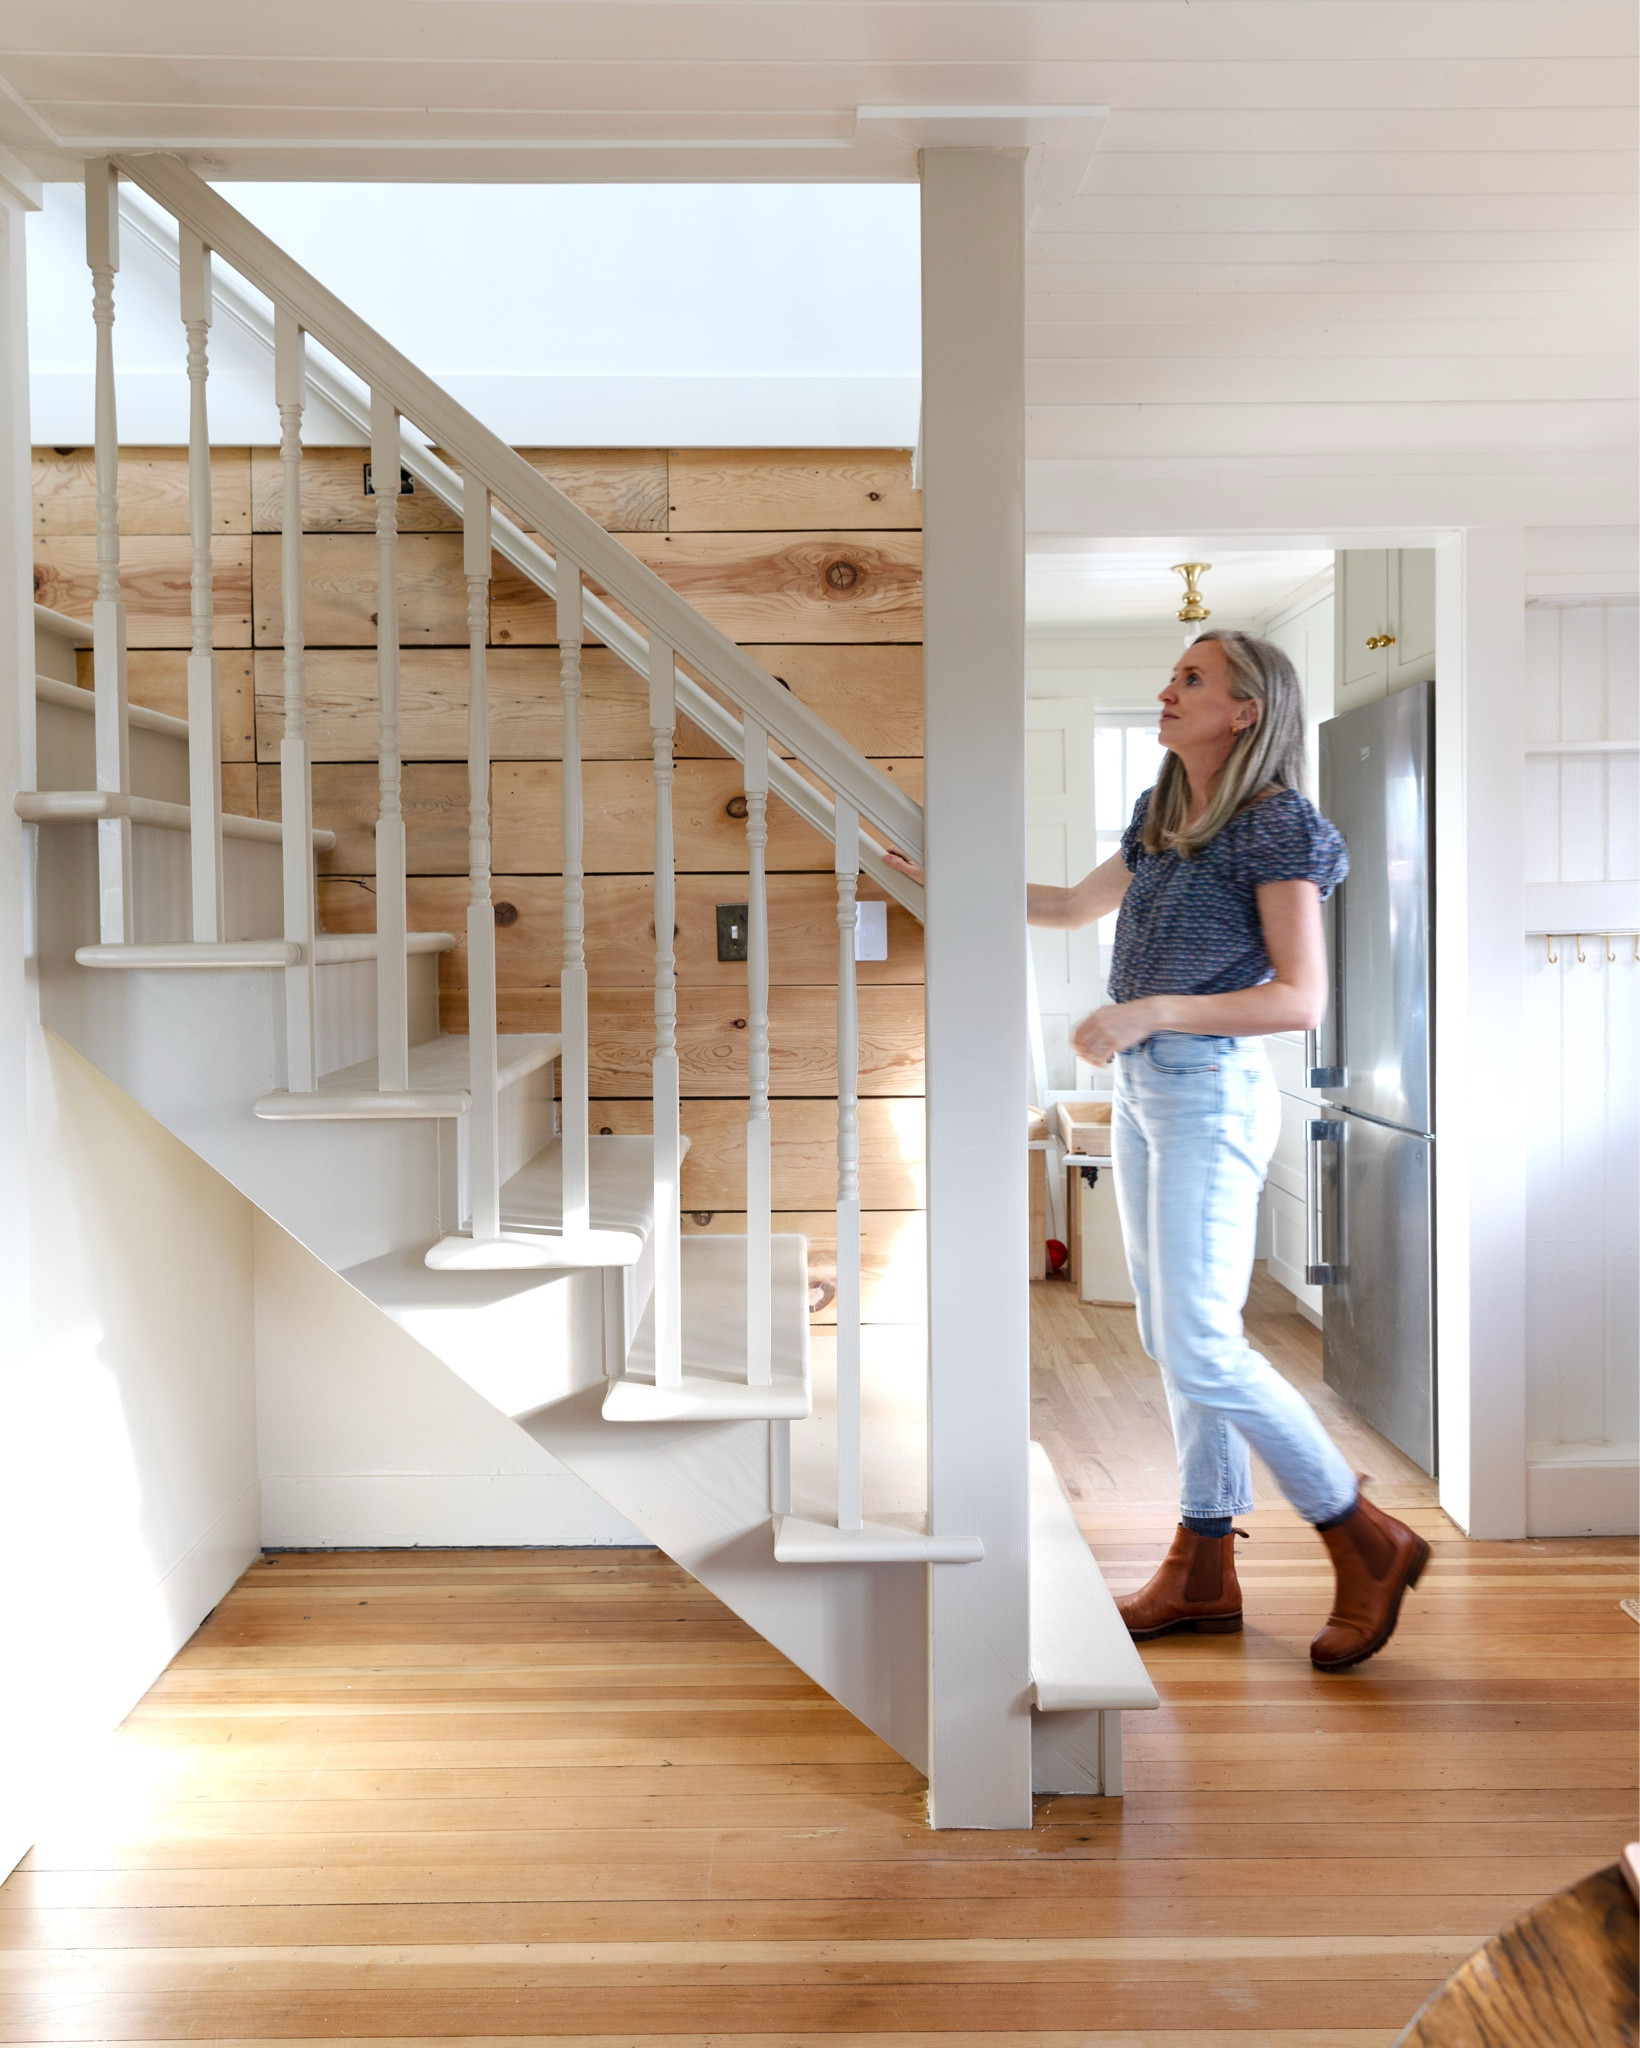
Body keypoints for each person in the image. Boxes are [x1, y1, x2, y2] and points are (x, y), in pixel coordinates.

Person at [887, 629, 1428, 1671]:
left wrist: (1151, 1009)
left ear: (1245, 710)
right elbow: (1070, 906)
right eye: (1173, 674)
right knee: (1177, 1336)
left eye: (1192, 678)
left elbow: (1299, 998)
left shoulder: (1275, 824)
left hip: (1207, 1091)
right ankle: (1202, 1567)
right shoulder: (1165, 813)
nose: (1167, 689)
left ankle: (1364, 1536)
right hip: (1144, 1094)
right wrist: (943, 879)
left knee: (1195, 1343)